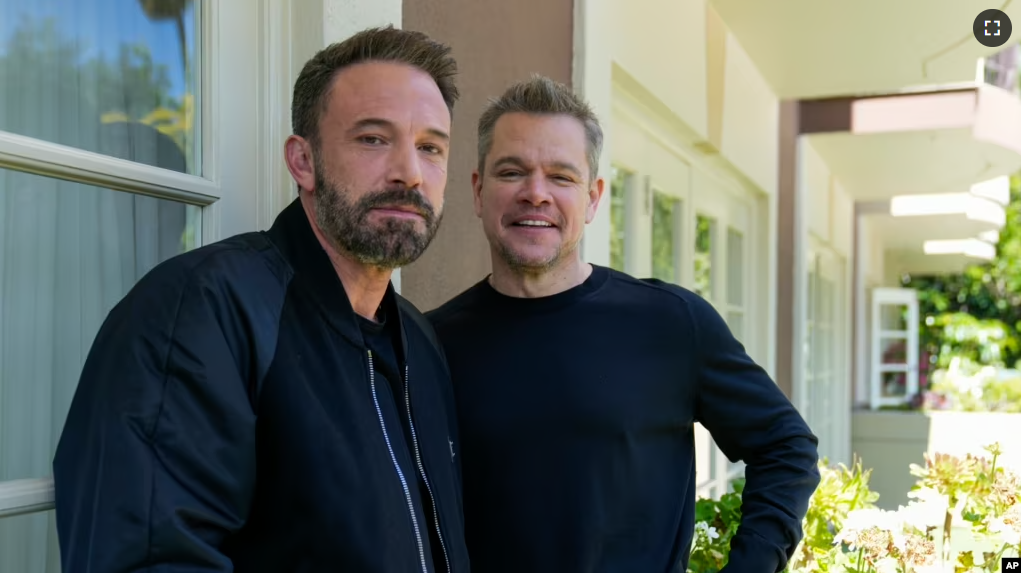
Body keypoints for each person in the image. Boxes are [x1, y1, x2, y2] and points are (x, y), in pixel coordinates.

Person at [53, 26, 469, 573]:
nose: (409, 173)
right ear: (303, 161)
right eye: (373, 138)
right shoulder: (200, 311)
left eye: (430, 147)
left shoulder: (418, 340)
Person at [427, 75, 821, 573]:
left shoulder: (669, 323)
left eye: (562, 177)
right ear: (479, 191)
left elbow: (786, 446)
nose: (536, 193)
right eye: (512, 172)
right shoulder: (431, 343)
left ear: (592, 198)